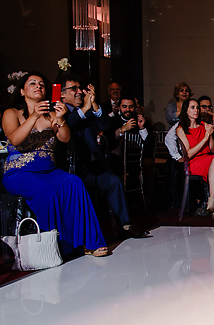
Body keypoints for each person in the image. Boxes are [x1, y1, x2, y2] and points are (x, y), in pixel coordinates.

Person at [1, 72, 109, 256]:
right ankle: (54, 248)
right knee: (47, 191)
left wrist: (60, 118)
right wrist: (34, 116)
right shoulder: (12, 113)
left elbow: (65, 138)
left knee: (74, 182)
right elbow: (15, 139)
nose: (38, 86)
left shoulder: (52, 114)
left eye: (42, 84)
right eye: (32, 83)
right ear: (21, 91)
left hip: (49, 171)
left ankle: (90, 243)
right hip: (20, 173)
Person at [59, 78, 150, 238]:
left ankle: (125, 225)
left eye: (80, 88)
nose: (80, 92)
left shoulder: (87, 112)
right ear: (62, 94)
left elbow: (106, 126)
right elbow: (69, 125)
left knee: (114, 181)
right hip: (73, 169)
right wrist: (85, 108)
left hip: (94, 166)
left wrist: (94, 106)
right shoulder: (59, 111)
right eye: (74, 88)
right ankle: (84, 232)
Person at [176, 97, 214, 219]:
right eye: (192, 107)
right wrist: (204, 138)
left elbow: (213, 149)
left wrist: (210, 135)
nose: (196, 110)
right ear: (186, 110)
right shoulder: (181, 129)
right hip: (193, 162)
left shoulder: (204, 125)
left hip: (208, 160)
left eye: (197, 107)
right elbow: (189, 154)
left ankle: (212, 203)